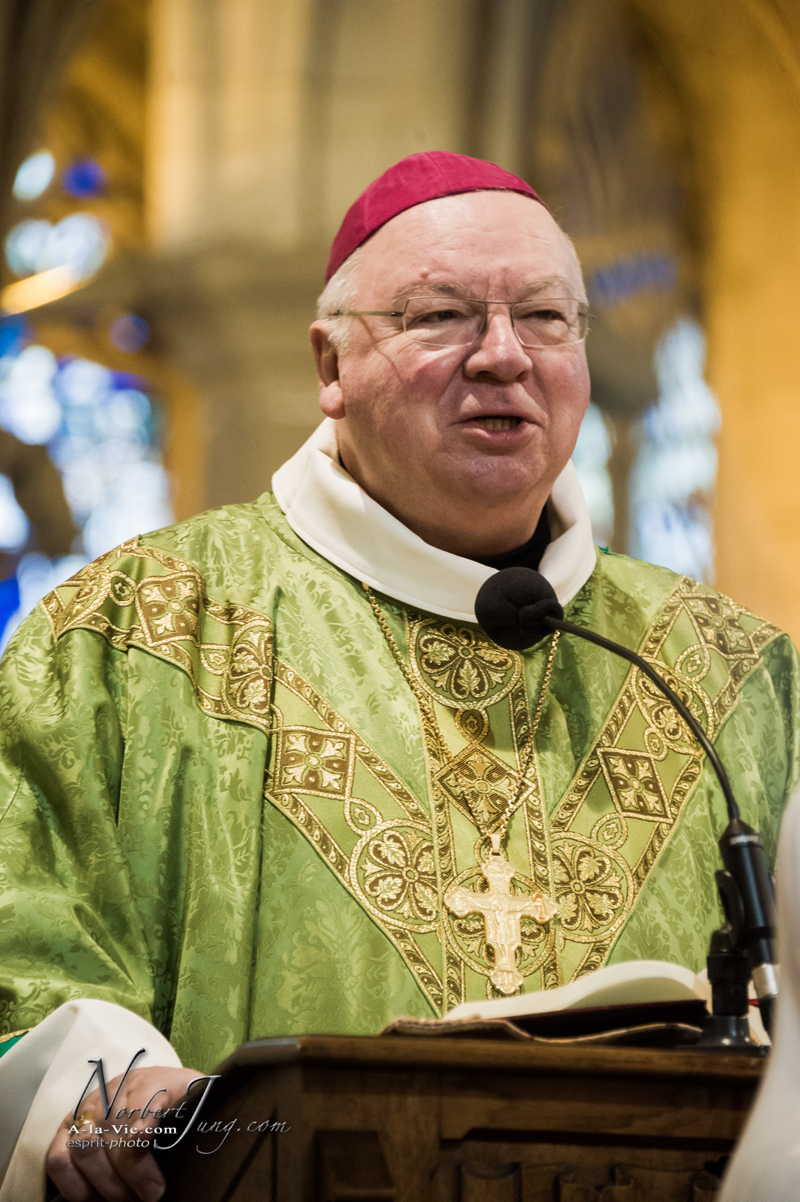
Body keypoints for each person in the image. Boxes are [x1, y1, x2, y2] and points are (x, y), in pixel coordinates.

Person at [0, 151, 797, 1202]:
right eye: (440, 316)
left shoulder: (724, 667)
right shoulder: (133, 633)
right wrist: (92, 1079)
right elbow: (29, 939)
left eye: (545, 319)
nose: (502, 355)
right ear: (328, 363)